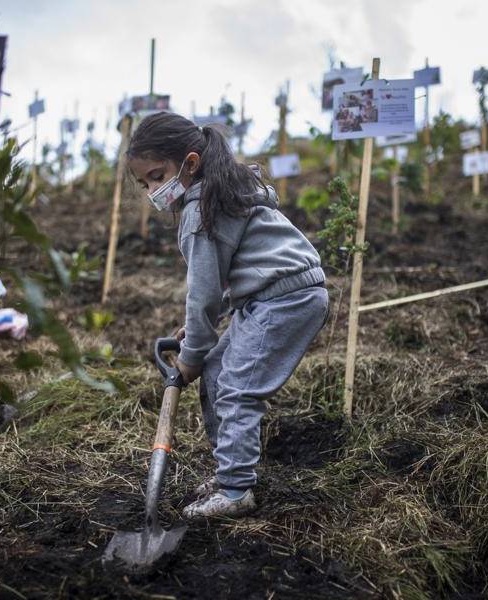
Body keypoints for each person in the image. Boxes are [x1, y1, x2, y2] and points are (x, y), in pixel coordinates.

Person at [126, 112, 329, 519]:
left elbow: (202, 294)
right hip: (275, 295)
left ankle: (236, 491)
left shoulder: (202, 211)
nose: (152, 189)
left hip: (284, 300)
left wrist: (190, 357)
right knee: (218, 371)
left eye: (156, 175)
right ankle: (229, 473)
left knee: (237, 387)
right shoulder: (222, 191)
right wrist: (203, 343)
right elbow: (222, 279)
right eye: (144, 183)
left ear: (191, 162)